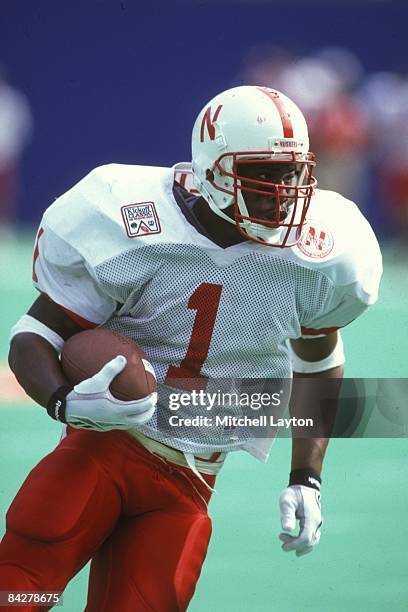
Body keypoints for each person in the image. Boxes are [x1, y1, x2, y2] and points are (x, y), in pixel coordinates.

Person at [0, 85, 382, 611]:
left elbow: (319, 363)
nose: (283, 191)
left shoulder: (320, 255)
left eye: (291, 174)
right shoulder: (132, 222)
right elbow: (35, 336)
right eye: (263, 174)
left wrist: (307, 479)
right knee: (18, 592)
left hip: (193, 481)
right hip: (104, 452)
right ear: (214, 171)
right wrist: (63, 401)